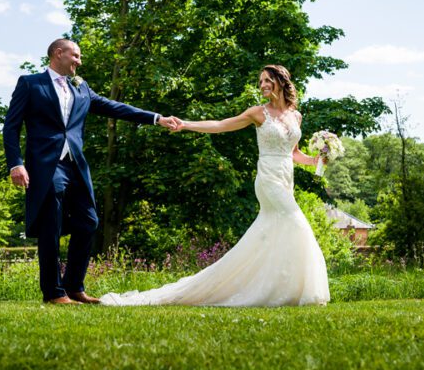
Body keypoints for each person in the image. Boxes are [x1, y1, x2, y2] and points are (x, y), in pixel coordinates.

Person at [100, 65, 330, 307]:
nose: (262, 85)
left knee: (276, 231)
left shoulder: (296, 116)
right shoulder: (257, 113)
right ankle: (307, 290)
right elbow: (221, 125)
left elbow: (293, 152)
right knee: (296, 222)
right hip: (268, 178)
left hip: (286, 177)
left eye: (267, 80)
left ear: (281, 82)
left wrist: (316, 160)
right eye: (260, 81)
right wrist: (186, 124)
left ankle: (279, 289)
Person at [3, 38, 180, 305]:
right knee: (51, 226)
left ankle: (74, 287)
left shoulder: (81, 86)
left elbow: (114, 107)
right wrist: (16, 163)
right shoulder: (30, 84)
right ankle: (54, 293)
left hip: (75, 165)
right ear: (58, 53)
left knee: (89, 221)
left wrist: (156, 118)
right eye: (76, 55)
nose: (79, 61)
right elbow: (11, 126)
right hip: (46, 166)